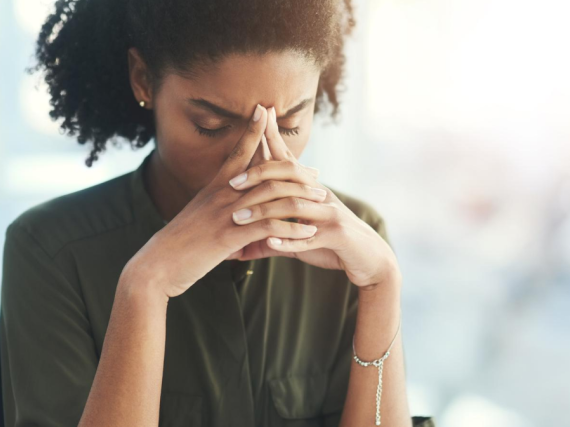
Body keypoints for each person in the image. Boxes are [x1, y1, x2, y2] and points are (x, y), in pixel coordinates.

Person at [0, 0, 436, 426]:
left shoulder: (353, 246)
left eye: (289, 125)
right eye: (212, 125)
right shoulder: (50, 251)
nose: (258, 159)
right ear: (143, 80)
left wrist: (382, 286)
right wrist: (144, 286)